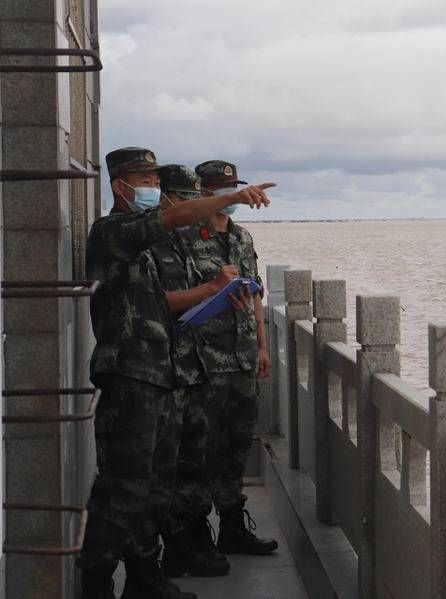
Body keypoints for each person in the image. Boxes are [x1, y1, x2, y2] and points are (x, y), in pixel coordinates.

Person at [79, 147, 274, 599]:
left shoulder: (144, 252)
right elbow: (170, 220)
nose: (153, 190)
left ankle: (145, 578)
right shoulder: (113, 232)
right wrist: (235, 197)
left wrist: (214, 296)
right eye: (146, 181)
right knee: (122, 489)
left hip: (162, 375)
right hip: (130, 378)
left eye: (154, 180)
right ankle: (95, 583)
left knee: (154, 486)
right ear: (120, 186)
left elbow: (162, 307)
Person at [150, 164, 253, 579]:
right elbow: (163, 301)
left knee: (222, 448)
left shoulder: (237, 238)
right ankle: (174, 548)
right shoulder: (159, 242)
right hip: (181, 364)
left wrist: (260, 342)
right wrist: (211, 290)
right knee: (181, 462)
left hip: (218, 358)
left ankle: (205, 536)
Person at [185, 159, 276, 555]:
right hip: (202, 360)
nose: (228, 196)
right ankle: (195, 532)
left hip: (240, 359)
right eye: (221, 189)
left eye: (232, 188)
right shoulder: (187, 237)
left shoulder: (242, 238)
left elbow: (254, 293)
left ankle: (234, 527)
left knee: (237, 444)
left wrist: (261, 344)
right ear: (202, 192)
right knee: (200, 447)